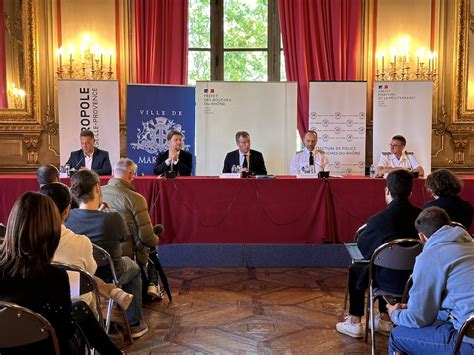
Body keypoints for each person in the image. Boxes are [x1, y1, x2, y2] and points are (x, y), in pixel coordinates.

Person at [0, 192, 122, 354]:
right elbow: (65, 332)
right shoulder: (55, 278)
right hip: (47, 349)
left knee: (78, 307)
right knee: (79, 313)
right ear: (51, 232)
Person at [336, 169, 421, 338]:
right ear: (410, 192)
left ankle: (355, 321)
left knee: (358, 267)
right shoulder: (422, 217)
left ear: (387, 191)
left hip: (385, 280)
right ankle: (384, 318)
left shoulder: (378, 220)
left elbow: (363, 250)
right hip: (417, 278)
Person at [65, 169, 148, 338]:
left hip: (82, 275)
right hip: (112, 274)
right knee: (135, 268)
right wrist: (105, 216)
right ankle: (134, 323)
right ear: (97, 188)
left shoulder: (69, 217)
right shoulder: (113, 218)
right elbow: (124, 236)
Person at [388, 207, 474, 354]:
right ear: (449, 225)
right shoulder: (470, 244)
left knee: (397, 336)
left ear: (421, 237)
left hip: (468, 342)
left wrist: (394, 314)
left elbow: (419, 318)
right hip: (469, 323)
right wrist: (411, 307)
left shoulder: (430, 257)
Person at [40, 182, 133, 310]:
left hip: (36, 311)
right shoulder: (80, 242)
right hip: (76, 311)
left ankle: (113, 292)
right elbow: (89, 274)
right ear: (67, 211)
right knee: (85, 278)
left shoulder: (23, 244)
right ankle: (131, 316)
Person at [102, 158, 163, 299]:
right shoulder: (136, 198)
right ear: (130, 175)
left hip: (101, 250)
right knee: (153, 241)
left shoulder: (98, 193)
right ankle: (153, 284)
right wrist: (156, 238)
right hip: (128, 251)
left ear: (113, 172)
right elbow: (147, 237)